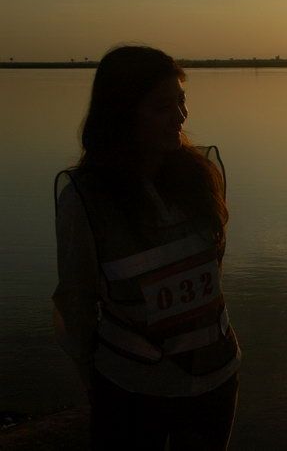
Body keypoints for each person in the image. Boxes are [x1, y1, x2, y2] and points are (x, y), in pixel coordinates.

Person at [52, 45, 241, 450]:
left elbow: (213, 272)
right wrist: (95, 383)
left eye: (181, 101)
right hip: (133, 391)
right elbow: (76, 302)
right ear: (121, 114)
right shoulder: (86, 200)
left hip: (216, 380)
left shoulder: (203, 176)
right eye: (162, 106)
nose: (181, 117)